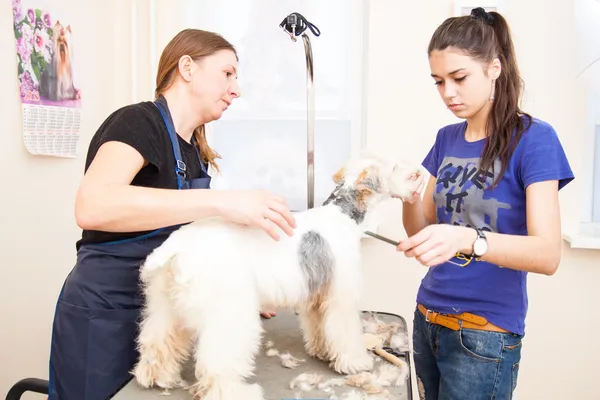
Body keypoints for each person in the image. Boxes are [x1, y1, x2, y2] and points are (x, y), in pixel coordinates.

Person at [47, 28, 296, 400]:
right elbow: (92, 206)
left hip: (165, 314)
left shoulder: (195, 152)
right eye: (227, 73)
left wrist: (236, 292)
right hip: (106, 314)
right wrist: (222, 202)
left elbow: (191, 242)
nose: (236, 89)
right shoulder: (137, 123)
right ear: (187, 68)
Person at [397, 8, 574, 399]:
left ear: (494, 68)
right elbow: (421, 232)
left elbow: (548, 255)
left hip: (483, 336)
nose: (448, 93)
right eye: (439, 82)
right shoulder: (446, 137)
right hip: (428, 320)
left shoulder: (534, 139)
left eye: (459, 78)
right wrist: (408, 194)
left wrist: (467, 239)